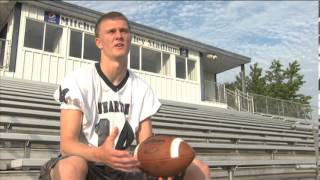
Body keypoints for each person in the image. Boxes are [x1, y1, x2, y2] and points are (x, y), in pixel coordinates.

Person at [39, 11, 210, 180]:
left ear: (130, 39)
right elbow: (67, 145)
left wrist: (162, 163)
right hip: (89, 163)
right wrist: (99, 154)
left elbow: (145, 145)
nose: (119, 35)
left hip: (123, 167)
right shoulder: (78, 80)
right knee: (72, 166)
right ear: (99, 42)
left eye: (124, 31)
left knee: (199, 168)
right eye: (111, 31)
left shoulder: (141, 88)